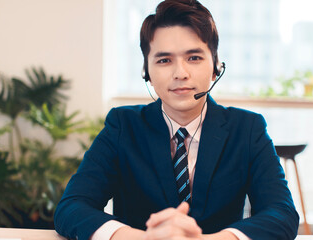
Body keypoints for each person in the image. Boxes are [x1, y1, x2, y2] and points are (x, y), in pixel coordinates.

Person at [54, 0, 299, 239]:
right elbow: (72, 206)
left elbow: (282, 213)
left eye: (194, 58)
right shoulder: (122, 125)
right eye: (164, 60)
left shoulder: (247, 129)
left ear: (215, 66)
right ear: (146, 73)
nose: (180, 73)